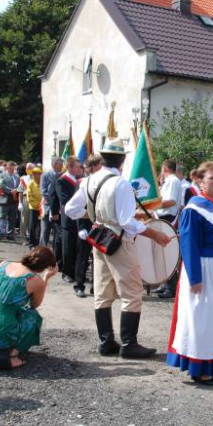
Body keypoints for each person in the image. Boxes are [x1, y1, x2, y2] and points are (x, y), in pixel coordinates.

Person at [86, 139, 171, 359]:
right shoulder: (120, 183)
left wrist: (101, 218)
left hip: (99, 239)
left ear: (103, 157)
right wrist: (155, 234)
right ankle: (129, 345)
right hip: (119, 241)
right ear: (123, 159)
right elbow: (126, 221)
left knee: (103, 293)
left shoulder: (89, 180)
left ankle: (106, 342)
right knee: (132, 294)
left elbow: (72, 209)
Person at [167, 162, 213, 385]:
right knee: (204, 317)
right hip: (207, 267)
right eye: (212, 178)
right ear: (200, 182)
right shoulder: (194, 208)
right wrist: (195, 277)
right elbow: (189, 245)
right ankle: (200, 367)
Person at [0, 247, 59, 369]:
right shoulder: (35, 280)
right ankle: (11, 355)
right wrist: (46, 278)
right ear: (44, 267)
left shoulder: (3, 264)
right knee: (33, 317)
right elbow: (34, 305)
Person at [66, 154, 102, 298]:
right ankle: (79, 285)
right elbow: (76, 206)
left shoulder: (103, 182)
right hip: (86, 225)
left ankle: (95, 286)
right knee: (82, 257)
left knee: (98, 258)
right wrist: (81, 227)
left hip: (99, 225)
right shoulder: (82, 182)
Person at [153, 159, 182, 298]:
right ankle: (164, 284)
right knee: (161, 254)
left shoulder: (172, 180)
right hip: (163, 218)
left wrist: (152, 205)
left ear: (165, 169)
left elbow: (170, 201)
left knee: (167, 254)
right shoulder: (168, 181)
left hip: (168, 219)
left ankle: (171, 288)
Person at [50, 156, 81, 284]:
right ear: (69, 167)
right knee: (67, 246)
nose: (79, 169)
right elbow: (63, 199)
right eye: (77, 166)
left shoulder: (80, 179)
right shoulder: (61, 180)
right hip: (68, 218)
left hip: (79, 217)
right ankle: (66, 272)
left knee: (77, 246)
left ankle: (76, 272)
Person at [40, 157, 63, 248]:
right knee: (45, 230)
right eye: (60, 164)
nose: (62, 166)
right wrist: (53, 200)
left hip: (58, 209)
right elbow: (43, 191)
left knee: (57, 232)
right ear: (54, 164)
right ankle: (41, 251)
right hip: (47, 207)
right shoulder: (45, 175)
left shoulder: (62, 175)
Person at [0, 161, 19, 241]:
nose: (12, 169)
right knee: (1, 217)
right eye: (11, 168)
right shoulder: (1, 175)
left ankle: (10, 234)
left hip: (14, 200)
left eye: (13, 168)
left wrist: (16, 190)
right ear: (7, 167)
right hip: (4, 199)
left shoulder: (17, 177)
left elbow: (19, 186)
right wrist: (10, 190)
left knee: (12, 218)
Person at [18, 162, 35, 242]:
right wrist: (20, 202)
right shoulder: (23, 178)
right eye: (27, 168)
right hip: (26, 199)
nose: (29, 170)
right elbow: (20, 191)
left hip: (35, 200)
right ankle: (23, 237)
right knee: (24, 218)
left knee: (33, 219)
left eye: (30, 168)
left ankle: (32, 237)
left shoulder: (37, 177)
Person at [26, 167, 43, 248]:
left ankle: (38, 242)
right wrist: (38, 204)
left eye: (38, 174)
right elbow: (29, 197)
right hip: (34, 208)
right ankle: (31, 242)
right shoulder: (30, 184)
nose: (36, 175)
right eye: (34, 174)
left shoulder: (42, 183)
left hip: (42, 208)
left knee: (41, 226)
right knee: (32, 225)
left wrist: (42, 205)